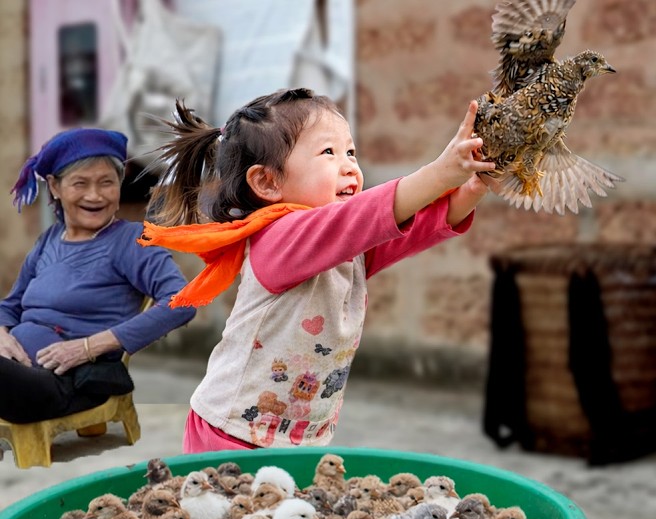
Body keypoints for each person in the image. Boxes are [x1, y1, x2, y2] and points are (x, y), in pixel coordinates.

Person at [139, 88, 493, 452]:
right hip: (230, 434)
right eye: (329, 152)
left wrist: (472, 188)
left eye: (350, 152)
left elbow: (412, 227)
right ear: (267, 182)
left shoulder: (346, 247)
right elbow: (369, 215)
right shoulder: (279, 238)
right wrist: (441, 172)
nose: (350, 166)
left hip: (296, 441)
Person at [0, 128, 196, 426]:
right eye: (80, 183)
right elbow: (11, 306)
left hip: (69, 382)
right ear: (54, 186)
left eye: (107, 182)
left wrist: (87, 347)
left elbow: (183, 302)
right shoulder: (49, 240)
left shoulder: (132, 241)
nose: (95, 195)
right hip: (16, 369)